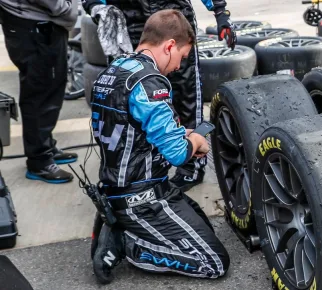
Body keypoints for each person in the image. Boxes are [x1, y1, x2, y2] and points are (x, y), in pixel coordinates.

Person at [89, 9, 230, 284]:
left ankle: (118, 222)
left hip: (125, 185)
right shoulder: (150, 83)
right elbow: (178, 154)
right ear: (169, 46)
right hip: (141, 197)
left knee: (203, 225)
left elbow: (133, 127)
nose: (179, 66)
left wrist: (184, 133)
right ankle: (125, 242)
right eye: (182, 56)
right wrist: (195, 141)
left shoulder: (115, 69)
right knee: (213, 262)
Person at [82, 0, 237, 192]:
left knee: (185, 96)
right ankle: (132, 171)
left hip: (176, 23)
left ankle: (190, 166)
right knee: (126, 99)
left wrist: (220, 11)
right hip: (131, 24)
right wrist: (95, 5)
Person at [0, 0, 79, 184]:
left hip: (39, 21)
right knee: (39, 93)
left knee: (51, 86)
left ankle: (45, 147)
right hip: (32, 23)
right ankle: (39, 161)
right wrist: (66, 9)